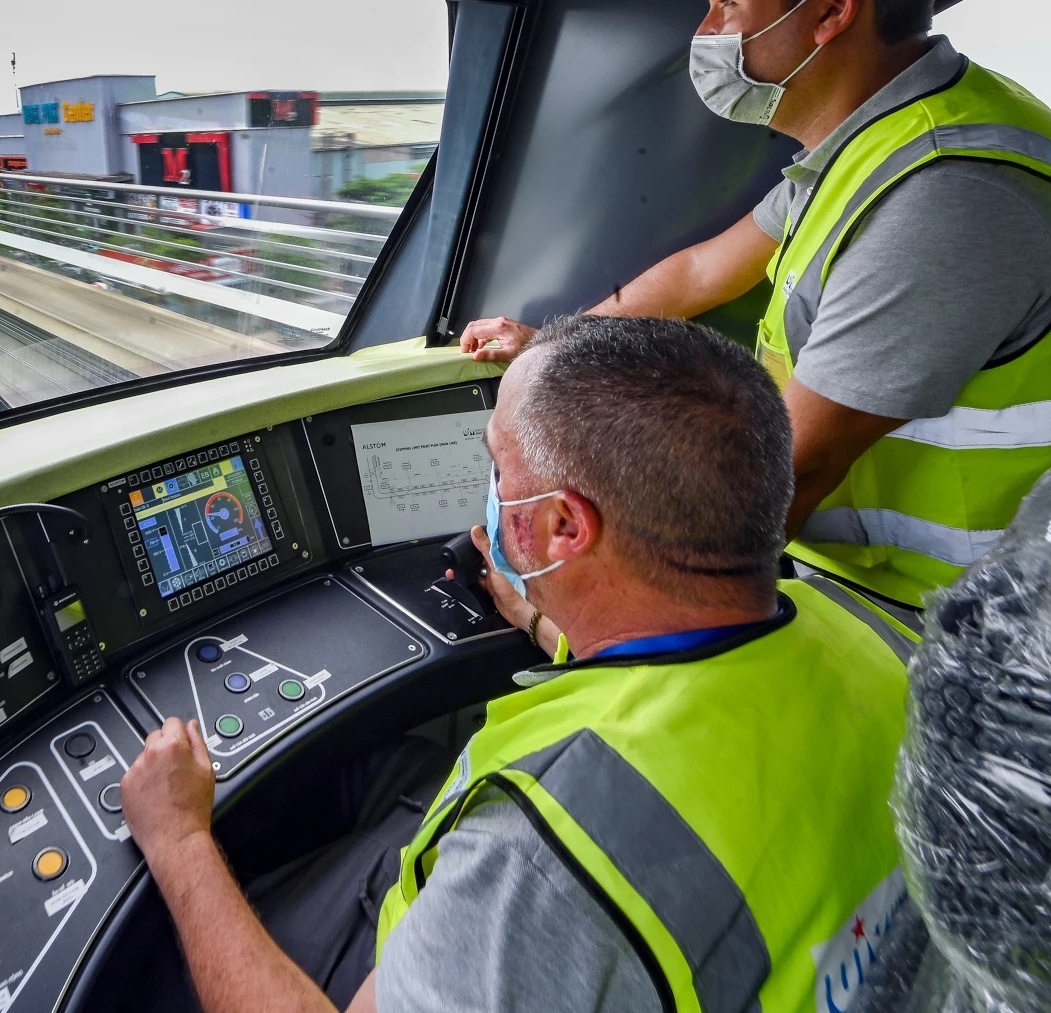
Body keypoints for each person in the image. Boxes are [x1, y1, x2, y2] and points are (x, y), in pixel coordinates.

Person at [120, 316, 914, 1013]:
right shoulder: (865, 633)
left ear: (565, 523)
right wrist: (542, 616)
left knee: (145, 958)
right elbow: (699, 672)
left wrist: (181, 837)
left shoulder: (536, 854)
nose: (491, 489)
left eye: (499, 467)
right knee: (384, 769)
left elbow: (544, 869)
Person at [461, 0, 1051, 610]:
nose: (705, 34)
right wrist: (555, 348)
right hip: (863, 578)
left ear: (829, 9)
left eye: (725, 4)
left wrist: (561, 610)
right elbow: (698, 274)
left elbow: (794, 470)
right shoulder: (875, 146)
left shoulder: (951, 194)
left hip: (959, 619)